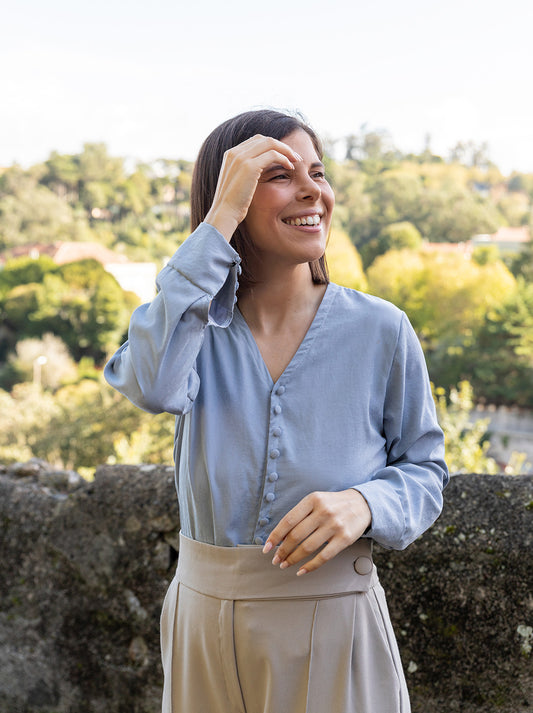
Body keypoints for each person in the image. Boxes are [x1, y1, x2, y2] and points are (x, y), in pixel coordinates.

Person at [104, 109, 448, 713]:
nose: (313, 190)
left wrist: (365, 503)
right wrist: (217, 223)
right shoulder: (190, 328)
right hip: (200, 627)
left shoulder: (381, 329)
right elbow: (153, 386)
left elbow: (426, 472)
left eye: (318, 172)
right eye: (281, 175)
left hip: (336, 621)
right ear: (231, 197)